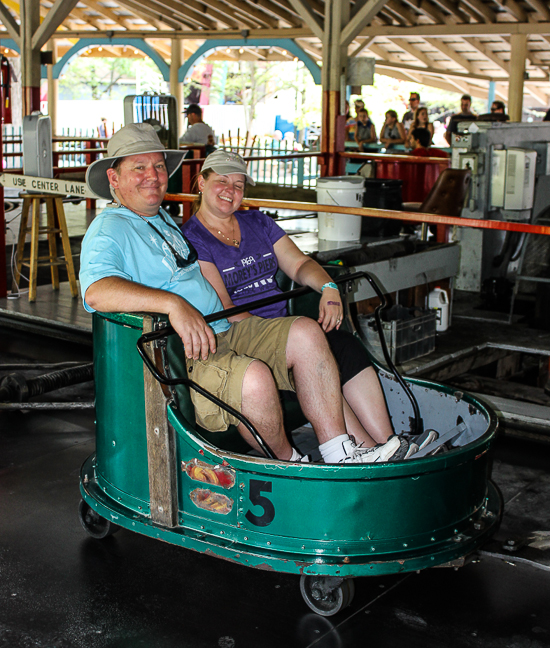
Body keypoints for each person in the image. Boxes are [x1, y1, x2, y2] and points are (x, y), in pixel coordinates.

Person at [80, 124, 417, 465]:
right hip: (190, 350)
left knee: (306, 331)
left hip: (225, 331)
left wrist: (328, 286)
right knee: (254, 378)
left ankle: (341, 451)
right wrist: (173, 304)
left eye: (157, 167)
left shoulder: (161, 219)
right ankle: (291, 464)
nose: (152, 176)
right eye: (139, 167)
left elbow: (296, 263)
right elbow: (96, 291)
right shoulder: (112, 227)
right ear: (114, 177)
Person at [182, 150, 437, 456]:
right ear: (201, 182)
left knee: (345, 346)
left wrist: (329, 288)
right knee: (311, 343)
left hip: (285, 330)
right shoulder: (193, 238)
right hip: (245, 332)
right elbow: (226, 310)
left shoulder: (257, 222)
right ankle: (363, 452)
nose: (231, 190)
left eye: (238, 184)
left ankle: (388, 444)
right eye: (222, 181)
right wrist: (291, 334)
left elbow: (299, 264)